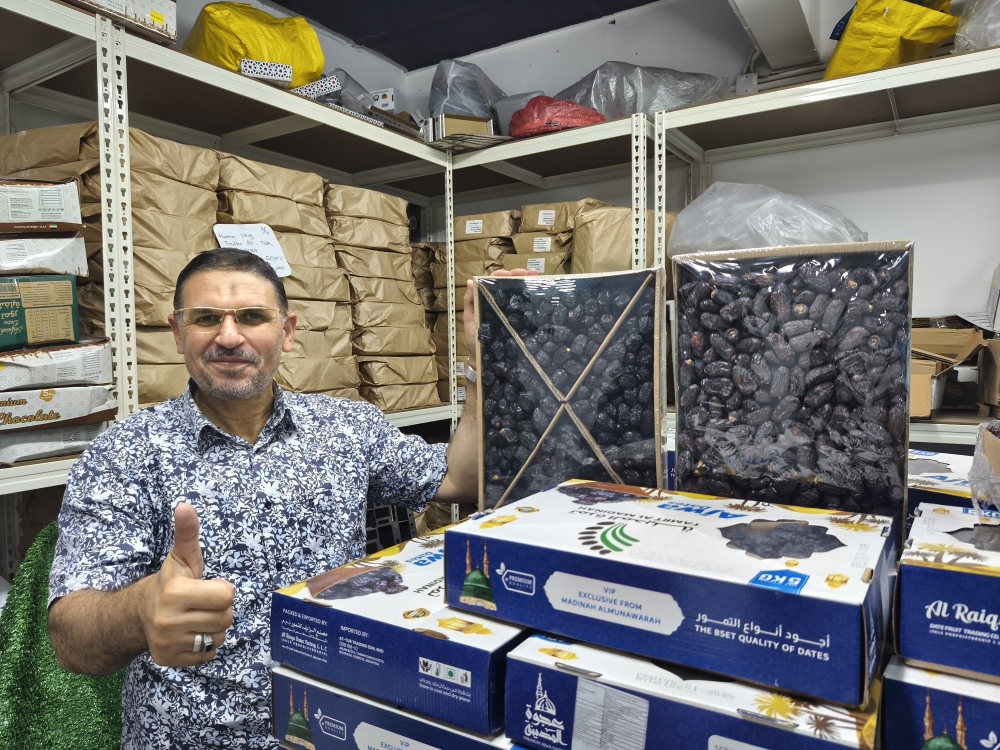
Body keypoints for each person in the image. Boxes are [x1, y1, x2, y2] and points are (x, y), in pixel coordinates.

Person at [47, 247, 512, 749]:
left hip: (338, 727)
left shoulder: (346, 428)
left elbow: (457, 479)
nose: (228, 336)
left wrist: (479, 358)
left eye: (252, 317)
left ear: (287, 332)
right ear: (178, 333)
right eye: (205, 319)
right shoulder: (126, 452)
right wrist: (139, 612)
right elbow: (70, 639)